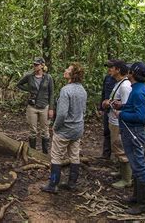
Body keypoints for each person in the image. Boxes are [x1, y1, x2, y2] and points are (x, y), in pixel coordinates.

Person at [41, 63, 87, 193]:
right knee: (74, 155)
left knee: (56, 156)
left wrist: (55, 127)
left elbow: (61, 114)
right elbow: (83, 111)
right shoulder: (82, 90)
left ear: (73, 74)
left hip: (65, 130)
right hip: (78, 129)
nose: (65, 70)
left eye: (68, 69)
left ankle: (53, 184)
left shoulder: (66, 90)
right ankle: (72, 183)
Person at [114, 62, 145, 215]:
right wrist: (122, 106)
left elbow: (141, 116)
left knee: (139, 166)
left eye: (129, 70)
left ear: (133, 74)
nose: (127, 72)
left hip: (134, 132)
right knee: (136, 165)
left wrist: (121, 114)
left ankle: (143, 204)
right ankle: (136, 197)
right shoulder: (137, 89)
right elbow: (135, 108)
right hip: (131, 131)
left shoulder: (138, 92)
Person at [101, 60, 132, 189]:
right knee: (116, 146)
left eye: (111, 67)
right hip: (113, 120)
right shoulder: (118, 83)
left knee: (121, 149)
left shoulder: (125, 86)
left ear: (118, 69)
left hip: (119, 122)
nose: (109, 70)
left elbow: (126, 106)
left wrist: (110, 103)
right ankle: (122, 172)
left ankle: (127, 179)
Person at [17, 57, 55, 154]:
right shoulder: (29, 76)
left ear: (42, 66)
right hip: (32, 107)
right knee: (32, 130)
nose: (35, 66)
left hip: (44, 107)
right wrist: (29, 89)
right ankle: (33, 153)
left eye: (37, 64)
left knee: (45, 131)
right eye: (34, 64)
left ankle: (45, 154)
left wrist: (51, 108)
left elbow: (51, 93)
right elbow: (19, 84)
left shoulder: (48, 77)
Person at [99, 62, 117, 159]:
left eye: (111, 67)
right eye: (108, 67)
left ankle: (118, 156)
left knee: (117, 133)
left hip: (117, 110)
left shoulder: (121, 81)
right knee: (106, 131)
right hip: (107, 109)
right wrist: (101, 107)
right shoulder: (107, 78)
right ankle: (106, 154)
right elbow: (103, 92)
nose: (109, 69)